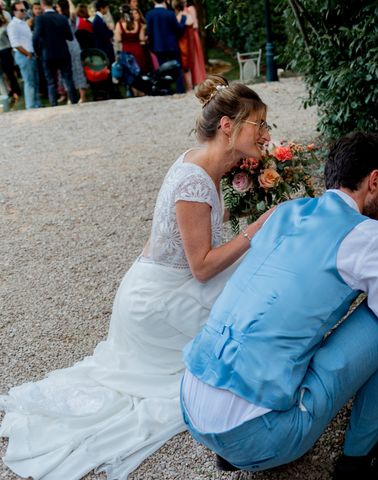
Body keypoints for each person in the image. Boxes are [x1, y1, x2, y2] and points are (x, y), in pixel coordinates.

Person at [0, 75, 274, 480]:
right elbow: (202, 266)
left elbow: (206, 224)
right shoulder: (194, 180)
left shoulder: (204, 162)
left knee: (249, 287)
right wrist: (258, 228)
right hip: (157, 307)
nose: (267, 134)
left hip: (170, 287)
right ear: (228, 127)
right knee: (248, 290)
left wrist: (256, 199)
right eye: (260, 125)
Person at [180, 132, 378, 479]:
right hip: (258, 436)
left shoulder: (284, 212)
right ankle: (358, 462)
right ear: (374, 181)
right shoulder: (372, 238)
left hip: (192, 404)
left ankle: (232, 450)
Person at [33, 0, 78, 105]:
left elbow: (35, 38)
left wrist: (38, 52)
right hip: (63, 52)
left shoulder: (40, 18)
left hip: (47, 54)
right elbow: (70, 37)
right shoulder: (62, 17)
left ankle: (54, 106)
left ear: (42, 4)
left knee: (51, 83)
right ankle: (74, 103)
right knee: (68, 79)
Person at [145, 0, 185, 92]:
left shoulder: (149, 14)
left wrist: (151, 47)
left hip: (158, 46)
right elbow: (178, 30)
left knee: (162, 69)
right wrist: (183, 20)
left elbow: (149, 33)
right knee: (177, 67)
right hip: (172, 45)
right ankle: (180, 89)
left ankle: (166, 89)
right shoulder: (170, 13)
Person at [8, 1, 41, 108]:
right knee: (29, 83)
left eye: (24, 9)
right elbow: (15, 44)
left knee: (34, 81)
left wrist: (32, 53)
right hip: (24, 56)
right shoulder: (12, 25)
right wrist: (28, 54)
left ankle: (36, 105)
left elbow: (28, 40)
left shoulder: (23, 23)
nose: (24, 12)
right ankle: (31, 107)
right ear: (14, 11)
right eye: (21, 10)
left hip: (29, 55)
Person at [56, 0, 88, 103]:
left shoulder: (70, 18)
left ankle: (82, 96)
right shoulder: (57, 19)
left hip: (73, 45)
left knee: (78, 69)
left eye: (58, 7)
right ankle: (71, 95)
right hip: (62, 46)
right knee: (65, 72)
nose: (56, 9)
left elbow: (73, 12)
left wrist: (69, 1)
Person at [114, 4, 148, 73]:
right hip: (138, 50)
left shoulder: (119, 24)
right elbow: (142, 38)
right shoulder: (138, 23)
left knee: (129, 73)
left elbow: (118, 39)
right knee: (140, 70)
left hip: (126, 51)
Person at [0, 1, 21, 107]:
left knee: (9, 72)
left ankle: (15, 91)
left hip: (6, 48)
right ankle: (8, 93)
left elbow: (8, 31)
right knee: (3, 74)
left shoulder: (6, 15)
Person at [92, 0, 114, 64]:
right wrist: (111, 30)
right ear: (102, 8)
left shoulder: (99, 19)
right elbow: (104, 36)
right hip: (104, 49)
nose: (107, 10)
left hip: (104, 48)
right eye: (106, 8)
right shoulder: (98, 20)